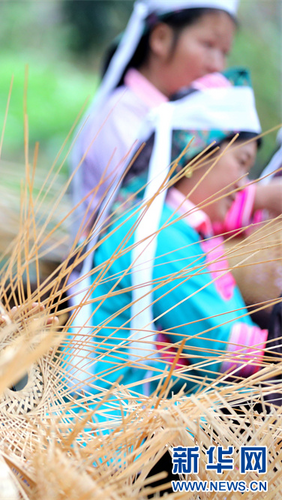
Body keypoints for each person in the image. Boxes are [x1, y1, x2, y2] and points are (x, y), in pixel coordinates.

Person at [65, 70, 271, 416]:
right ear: (198, 156)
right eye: (242, 163)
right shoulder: (159, 234)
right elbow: (220, 348)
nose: (243, 185)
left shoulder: (178, 229)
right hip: (116, 440)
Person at [69, 0, 281, 239]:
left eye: (224, 52)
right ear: (161, 38)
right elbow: (151, 206)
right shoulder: (121, 115)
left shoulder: (177, 120)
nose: (217, 65)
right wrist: (259, 198)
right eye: (207, 44)